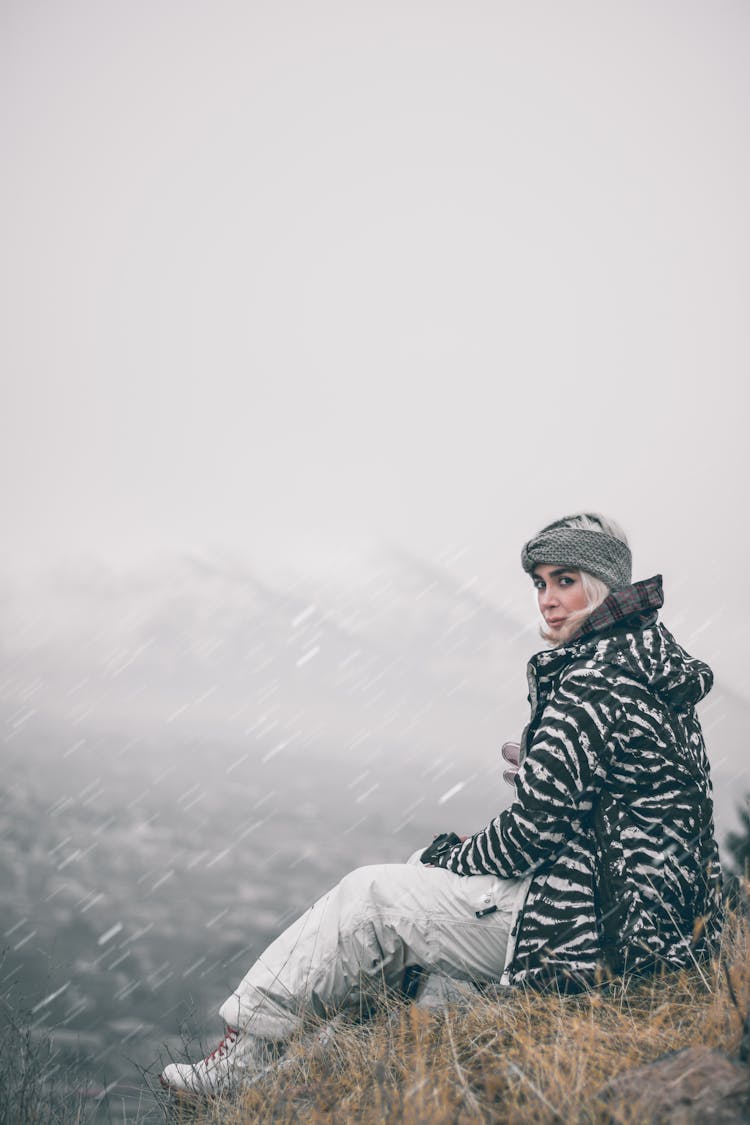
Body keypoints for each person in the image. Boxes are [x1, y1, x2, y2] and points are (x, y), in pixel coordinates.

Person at [159, 512, 723, 1096]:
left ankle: (241, 1060)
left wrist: (456, 853)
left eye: (565, 580)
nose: (548, 600)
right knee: (407, 883)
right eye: (540, 583)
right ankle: (334, 1050)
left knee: (370, 896)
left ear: (602, 585)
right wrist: (543, 771)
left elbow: (530, 834)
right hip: (650, 927)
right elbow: (636, 811)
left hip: (589, 932)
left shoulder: (593, 681)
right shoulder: (653, 671)